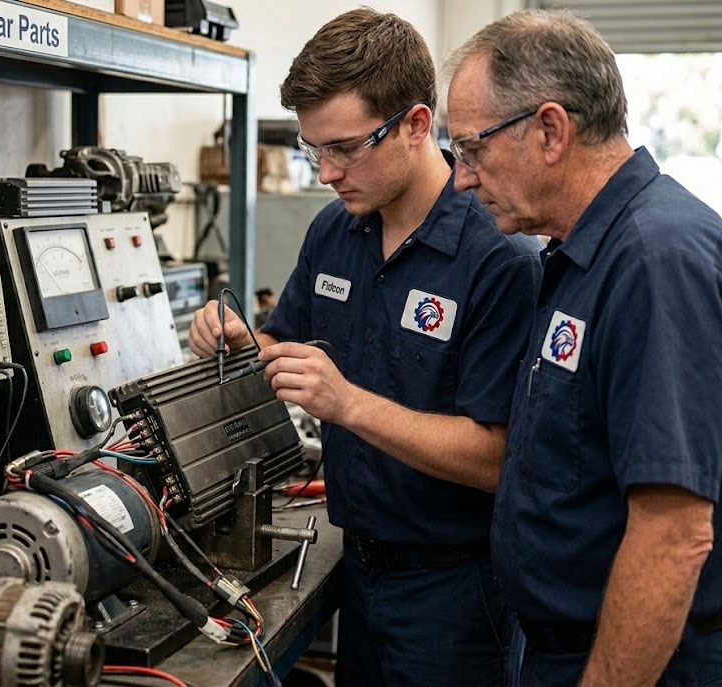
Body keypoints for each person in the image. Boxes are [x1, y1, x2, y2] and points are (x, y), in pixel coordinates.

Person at [189, 9, 542, 686]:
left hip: (457, 594)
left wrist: (348, 403)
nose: (326, 172)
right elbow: (283, 345)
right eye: (312, 149)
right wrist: (241, 338)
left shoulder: (497, 256)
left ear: (415, 125)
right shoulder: (334, 230)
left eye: (346, 148)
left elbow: (499, 457)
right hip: (359, 569)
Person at [445, 10, 722, 687]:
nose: (461, 178)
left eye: (471, 150)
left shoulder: (657, 260)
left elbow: (673, 534)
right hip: (556, 644)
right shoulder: (579, 255)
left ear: (549, 130)